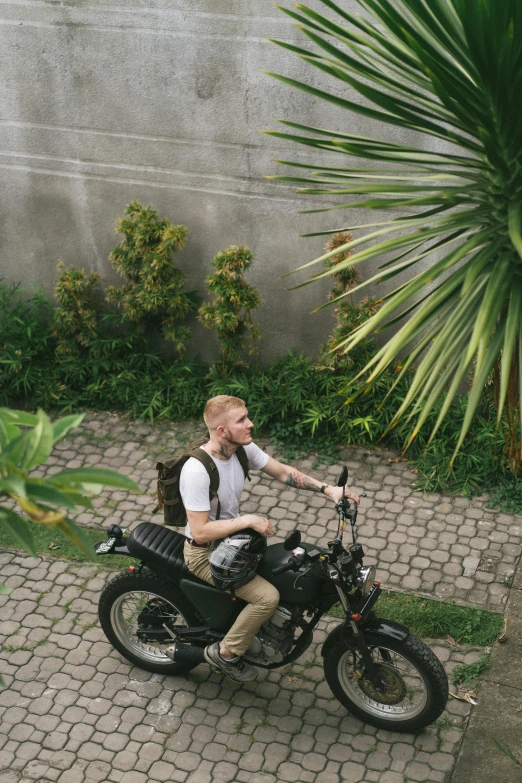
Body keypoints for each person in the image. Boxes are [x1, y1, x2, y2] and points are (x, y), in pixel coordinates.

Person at [179, 394, 360, 682]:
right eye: (242, 420)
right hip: (205, 554)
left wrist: (328, 490)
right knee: (267, 598)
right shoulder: (196, 471)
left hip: (236, 543)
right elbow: (199, 531)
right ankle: (225, 653)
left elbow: (284, 472)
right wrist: (247, 520)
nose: (250, 424)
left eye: (247, 416)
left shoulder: (241, 450)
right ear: (222, 431)